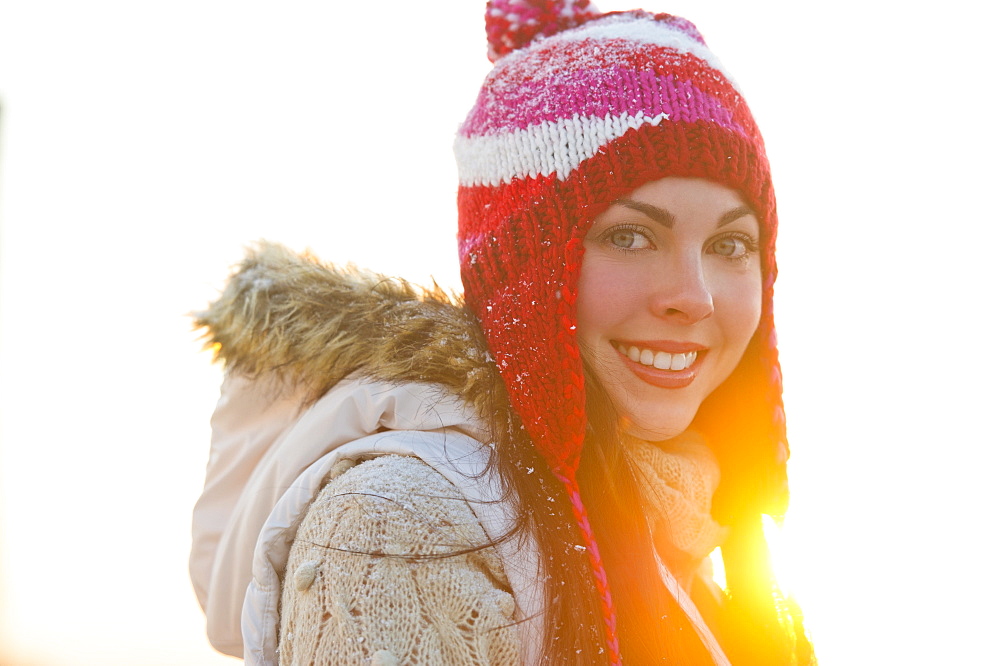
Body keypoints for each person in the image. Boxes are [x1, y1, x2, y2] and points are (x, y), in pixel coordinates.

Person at [189, 1, 814, 664]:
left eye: (730, 243)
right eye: (629, 236)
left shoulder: (684, 539)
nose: (693, 296)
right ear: (524, 265)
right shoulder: (406, 524)